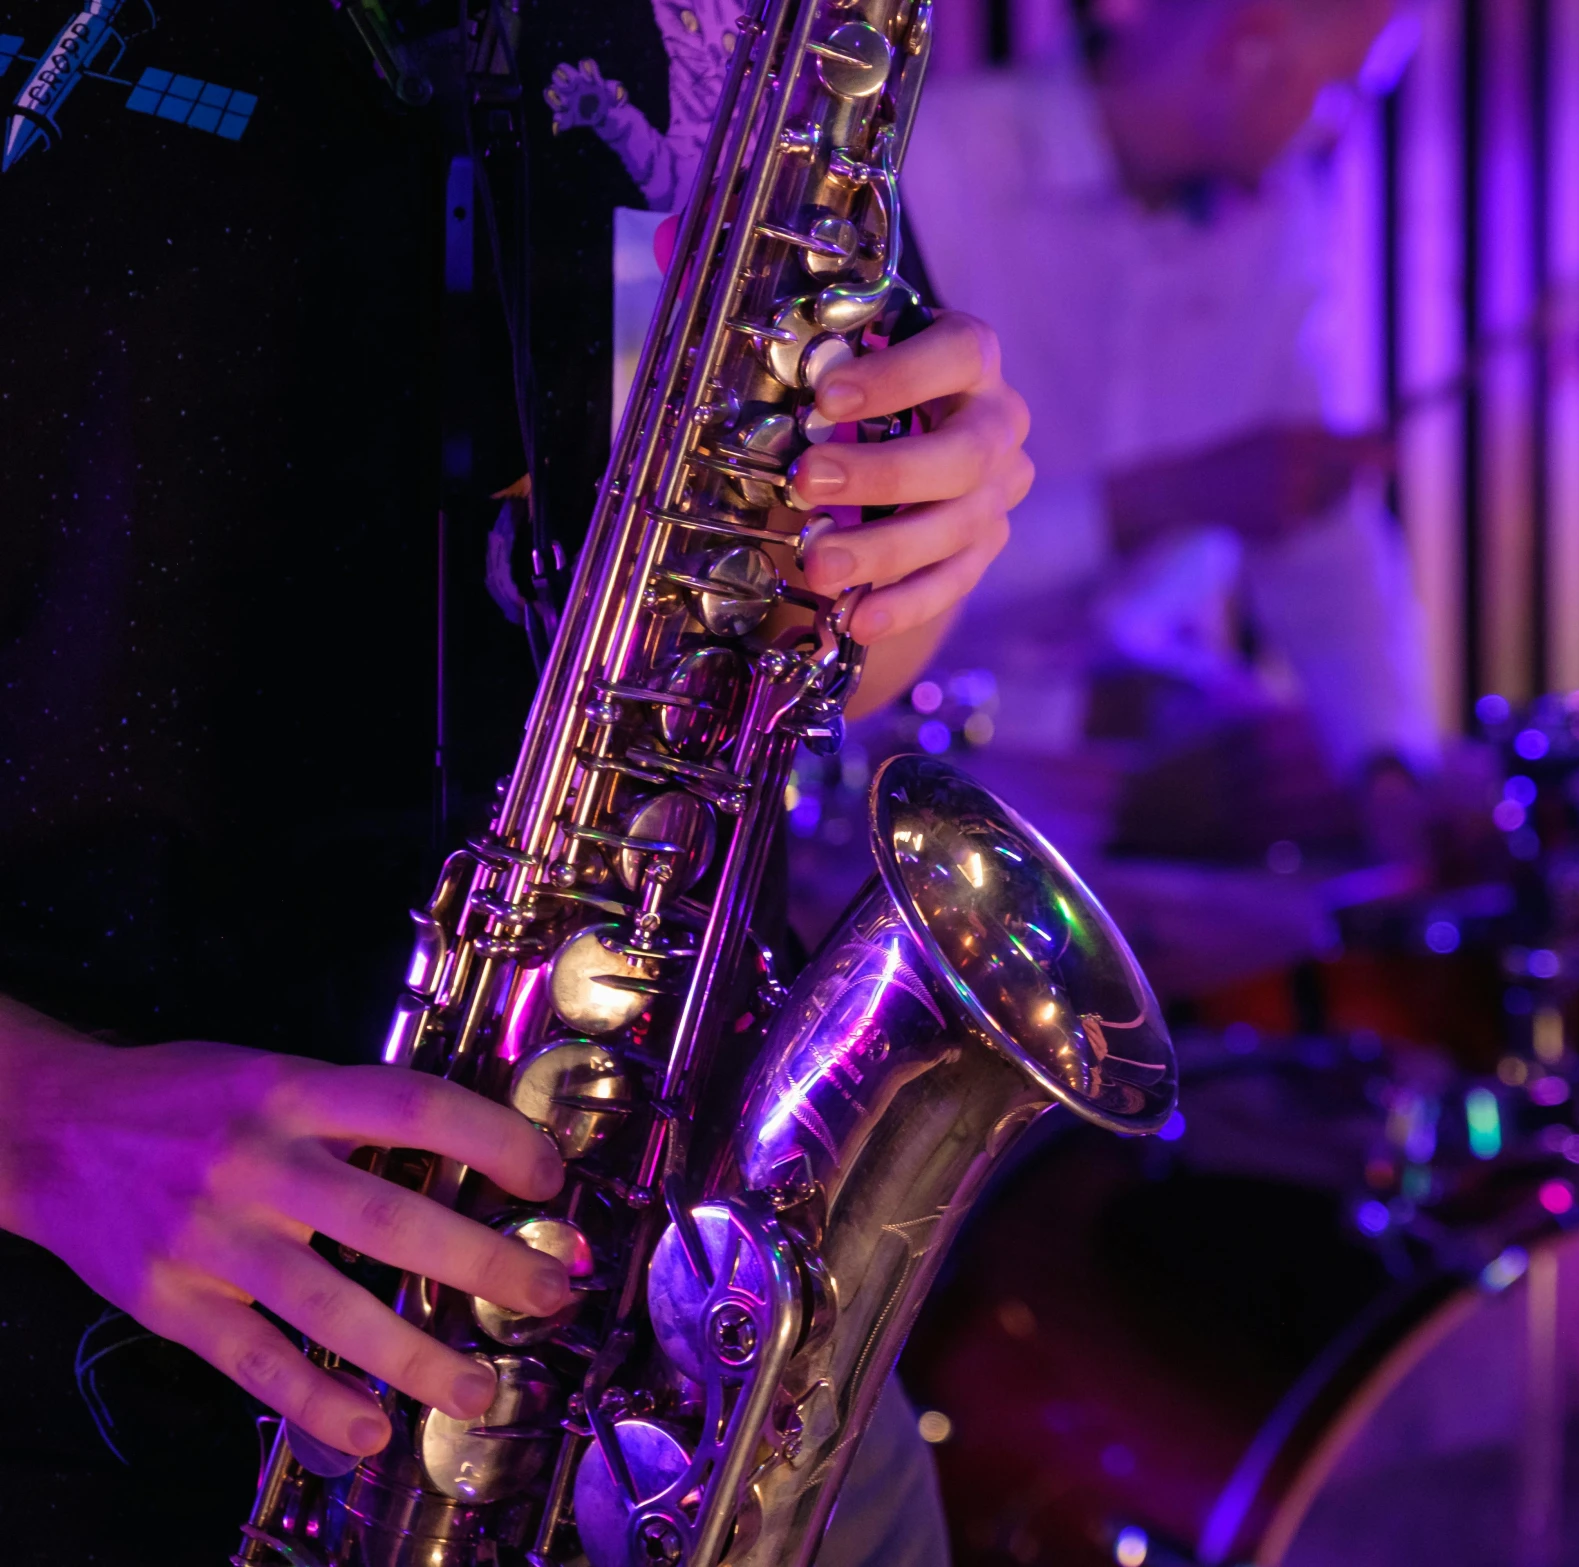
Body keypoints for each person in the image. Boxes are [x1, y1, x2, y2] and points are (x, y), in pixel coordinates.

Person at [0, 1, 1026, 1559]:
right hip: (74, 1390)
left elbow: (745, 608)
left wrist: (910, 542)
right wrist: (41, 1117)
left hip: (670, 1347)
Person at [896, 0, 1441, 862]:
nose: (1335, 130)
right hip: (907, 770)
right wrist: (1164, 500)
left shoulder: (1278, 221)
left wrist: (1386, 763)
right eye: (1340, 91)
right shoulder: (938, 167)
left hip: (1155, 742)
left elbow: (1317, 528)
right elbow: (858, 561)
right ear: (1247, 48)